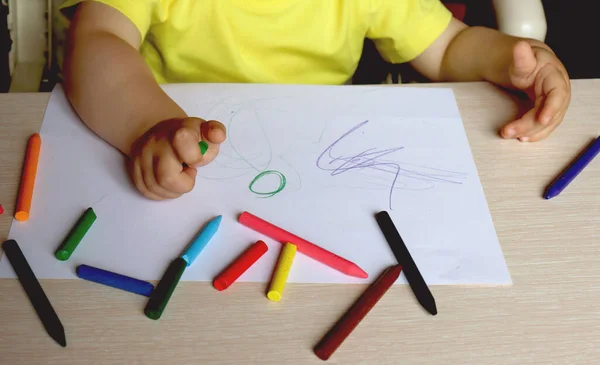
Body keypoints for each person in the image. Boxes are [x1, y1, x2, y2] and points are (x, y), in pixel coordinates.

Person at [61, 0, 571, 200]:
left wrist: (516, 60)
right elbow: (96, 42)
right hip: (184, 160)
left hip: (324, 171)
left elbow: (448, 46)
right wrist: (146, 124)